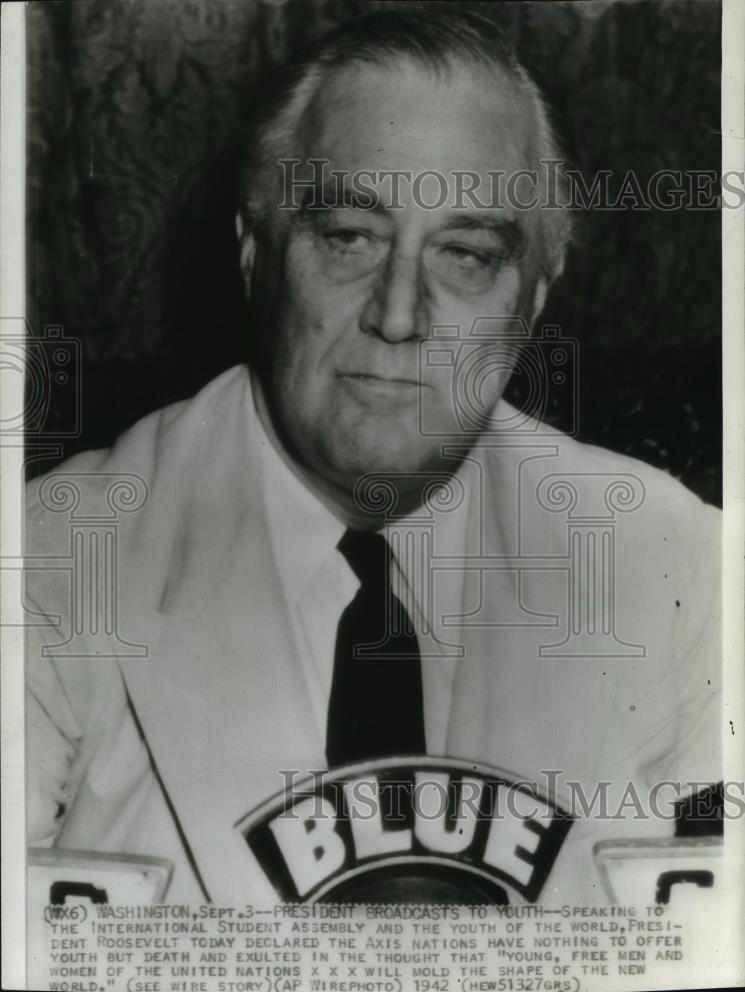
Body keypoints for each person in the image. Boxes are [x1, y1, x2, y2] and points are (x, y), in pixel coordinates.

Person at [25, 9, 721, 905]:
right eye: (348, 235)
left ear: (536, 296)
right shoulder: (45, 565)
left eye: (466, 254)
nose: (399, 315)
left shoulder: (682, 569)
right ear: (253, 252)